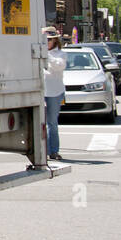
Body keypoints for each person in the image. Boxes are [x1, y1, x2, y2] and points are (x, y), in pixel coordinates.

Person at [41, 26, 66, 162]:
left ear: (55, 41)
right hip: (40, 90)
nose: (47, 42)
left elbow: (58, 66)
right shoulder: (41, 52)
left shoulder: (60, 54)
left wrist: (46, 55)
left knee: (52, 122)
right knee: (40, 122)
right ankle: (41, 151)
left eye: (49, 40)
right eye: (45, 40)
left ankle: (53, 151)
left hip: (54, 92)